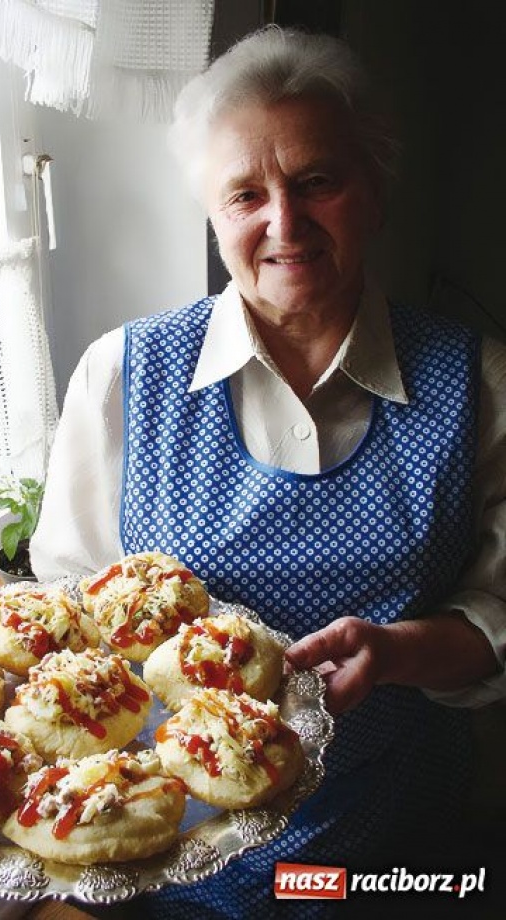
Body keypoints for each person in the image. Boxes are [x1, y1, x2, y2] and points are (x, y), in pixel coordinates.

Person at [30, 25, 506, 919]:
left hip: (388, 842)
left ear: (374, 190)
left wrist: (399, 652)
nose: (283, 224)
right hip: (174, 843)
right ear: (212, 216)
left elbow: (501, 610)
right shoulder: (122, 376)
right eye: (245, 194)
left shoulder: (478, 383)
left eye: (317, 181)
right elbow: (72, 611)